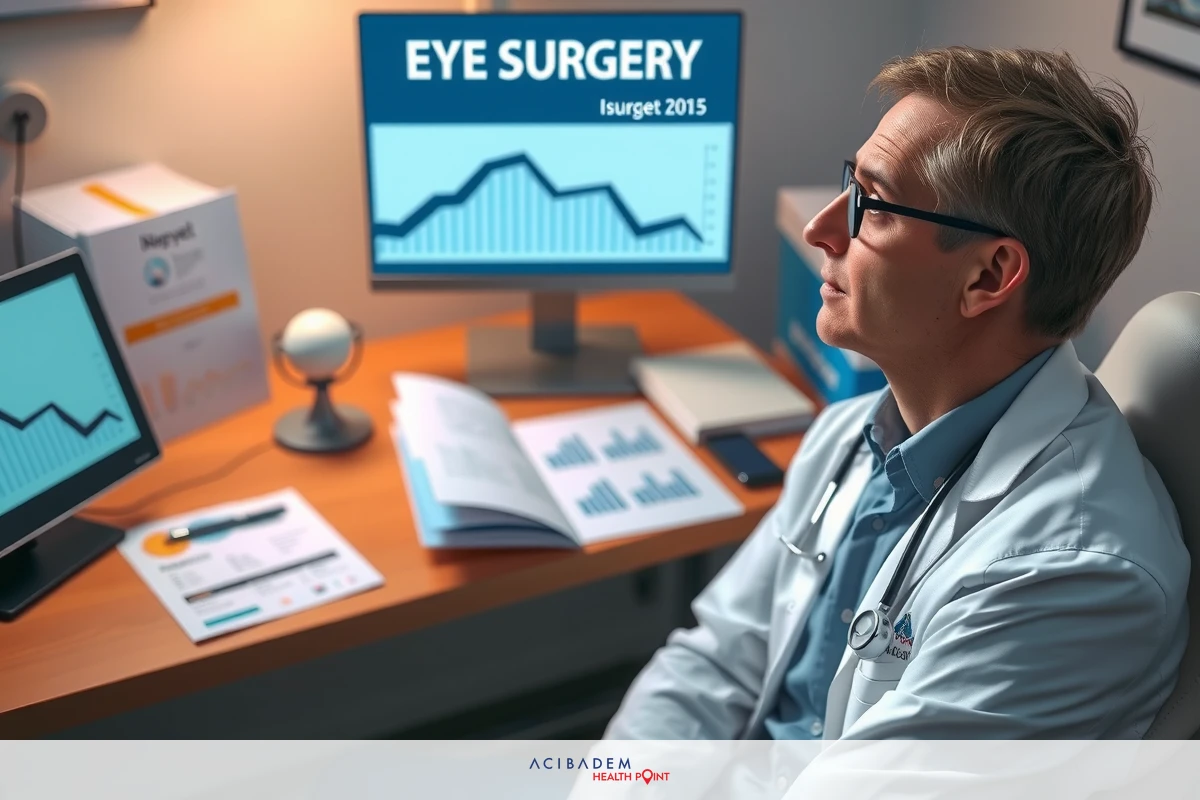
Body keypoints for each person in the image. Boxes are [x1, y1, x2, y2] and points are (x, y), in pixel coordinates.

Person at [604, 46, 1190, 740]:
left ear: (987, 276)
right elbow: (714, 663)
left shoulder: (1071, 577)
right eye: (847, 185)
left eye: (871, 206)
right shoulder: (855, 433)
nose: (822, 229)